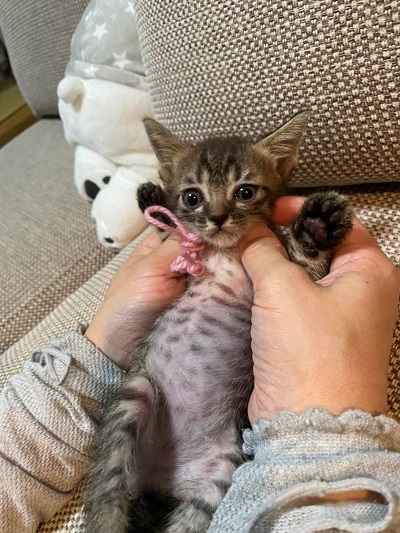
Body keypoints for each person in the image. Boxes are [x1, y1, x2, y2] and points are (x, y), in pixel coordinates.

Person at [0, 196, 399, 532]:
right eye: (195, 198)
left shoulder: (270, 241)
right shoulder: (196, 246)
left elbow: (298, 279)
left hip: (212, 447)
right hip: (150, 410)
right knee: (135, 398)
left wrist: (307, 247)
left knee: (221, 459)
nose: (220, 210)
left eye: (243, 193)